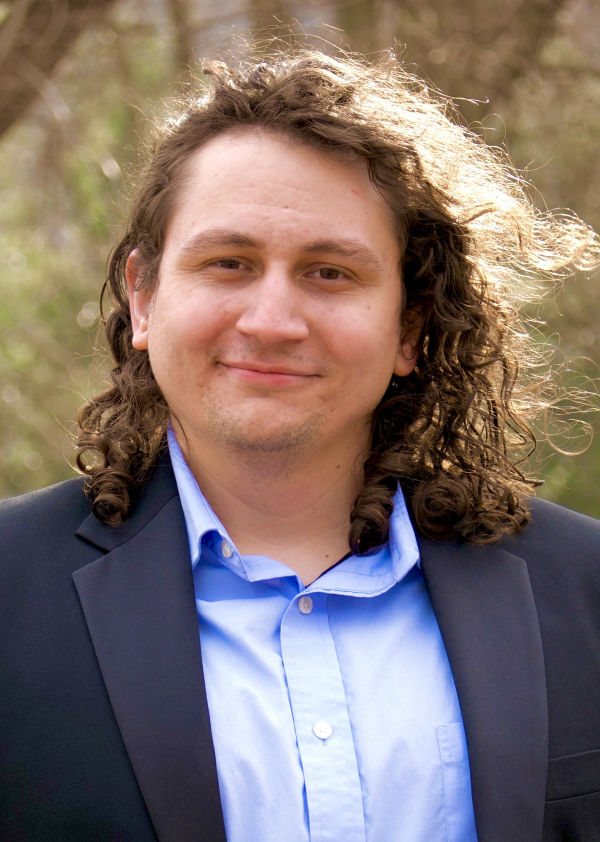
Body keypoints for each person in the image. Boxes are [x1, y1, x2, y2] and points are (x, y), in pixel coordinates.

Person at [1, 46, 599, 842]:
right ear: (143, 299)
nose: (272, 321)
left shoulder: (584, 590)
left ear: (410, 327)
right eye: (229, 263)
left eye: (329, 273)